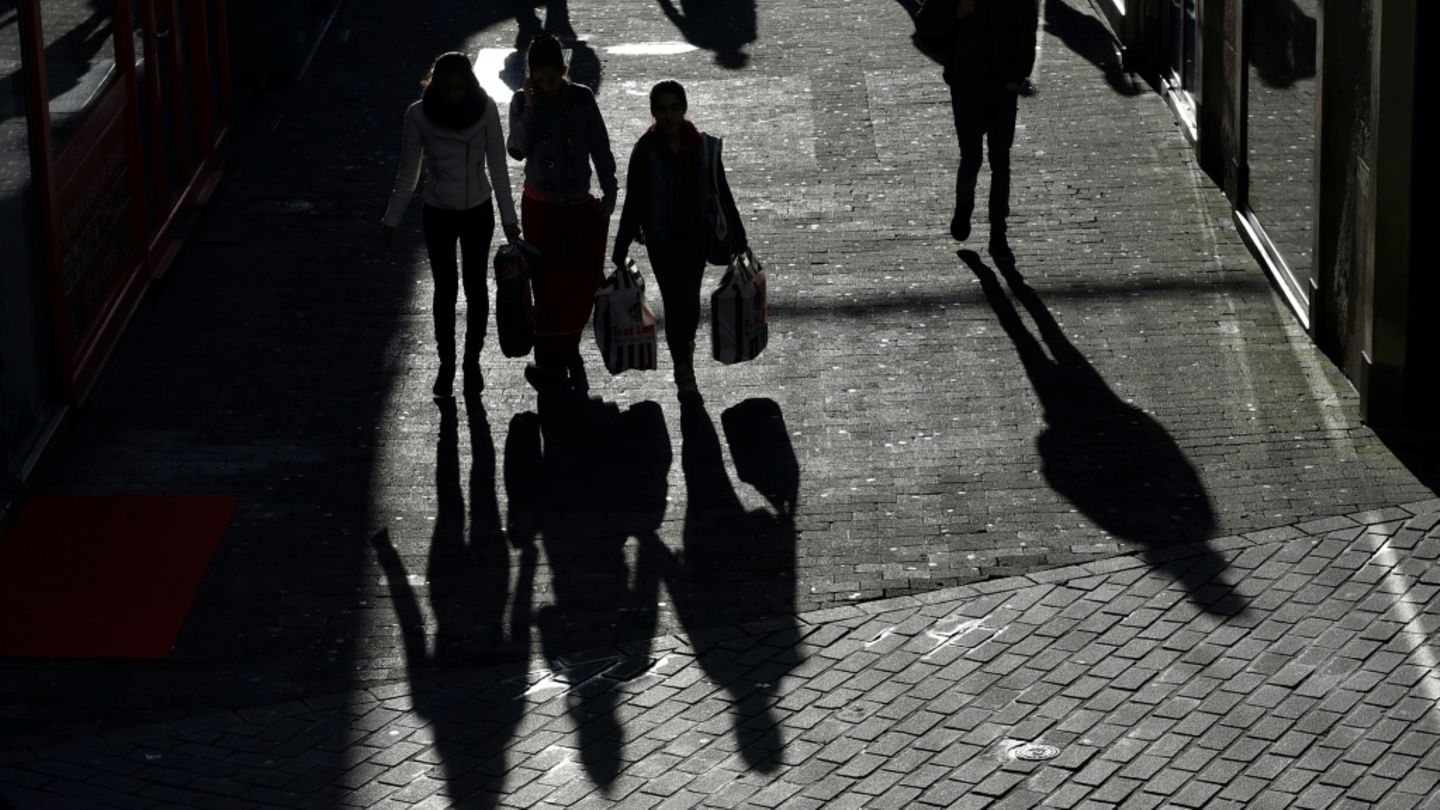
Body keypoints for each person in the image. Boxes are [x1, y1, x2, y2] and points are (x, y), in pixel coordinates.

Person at [380, 51, 521, 398]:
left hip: (477, 210)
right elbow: (408, 173)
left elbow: (498, 168)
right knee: (445, 290)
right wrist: (391, 221)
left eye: (458, 88)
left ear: (468, 85)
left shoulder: (486, 110)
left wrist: (509, 219)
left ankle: (471, 361)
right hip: (438, 212)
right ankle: (447, 363)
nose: (452, 95)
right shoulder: (418, 115)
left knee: (476, 288)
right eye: (446, 88)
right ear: (436, 86)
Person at [612, 80, 747, 399]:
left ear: (684, 109)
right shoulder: (645, 150)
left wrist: (739, 239)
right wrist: (621, 245)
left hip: (695, 237)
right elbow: (634, 201)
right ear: (653, 112)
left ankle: (685, 345)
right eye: (662, 110)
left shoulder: (703, 146)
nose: (669, 116)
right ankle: (683, 367)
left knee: (689, 301)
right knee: (675, 302)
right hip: (661, 240)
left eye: (674, 108)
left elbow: (722, 192)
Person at [507, 34, 618, 393]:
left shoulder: (581, 98)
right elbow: (517, 149)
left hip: (576, 203)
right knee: (545, 285)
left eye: (552, 79)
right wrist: (531, 108)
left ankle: (567, 349)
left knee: (582, 280)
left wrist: (610, 188)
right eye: (539, 80)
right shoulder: (521, 101)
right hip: (539, 205)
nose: (547, 86)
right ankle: (549, 359)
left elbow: (600, 145)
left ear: (564, 70)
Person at [917, 0, 1038, 262]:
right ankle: (964, 209)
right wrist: (956, 13)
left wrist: (1017, 77)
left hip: (1002, 85)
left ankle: (998, 231)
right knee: (971, 157)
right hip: (966, 83)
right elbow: (926, 23)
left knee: (1000, 161)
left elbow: (1028, 29)